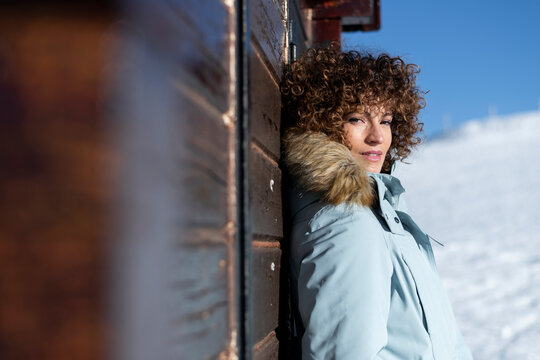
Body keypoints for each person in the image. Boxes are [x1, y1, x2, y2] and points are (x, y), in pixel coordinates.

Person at [280, 45, 473, 359]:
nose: (378, 137)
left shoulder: (377, 213)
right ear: (321, 122)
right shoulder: (346, 222)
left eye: (385, 120)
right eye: (357, 118)